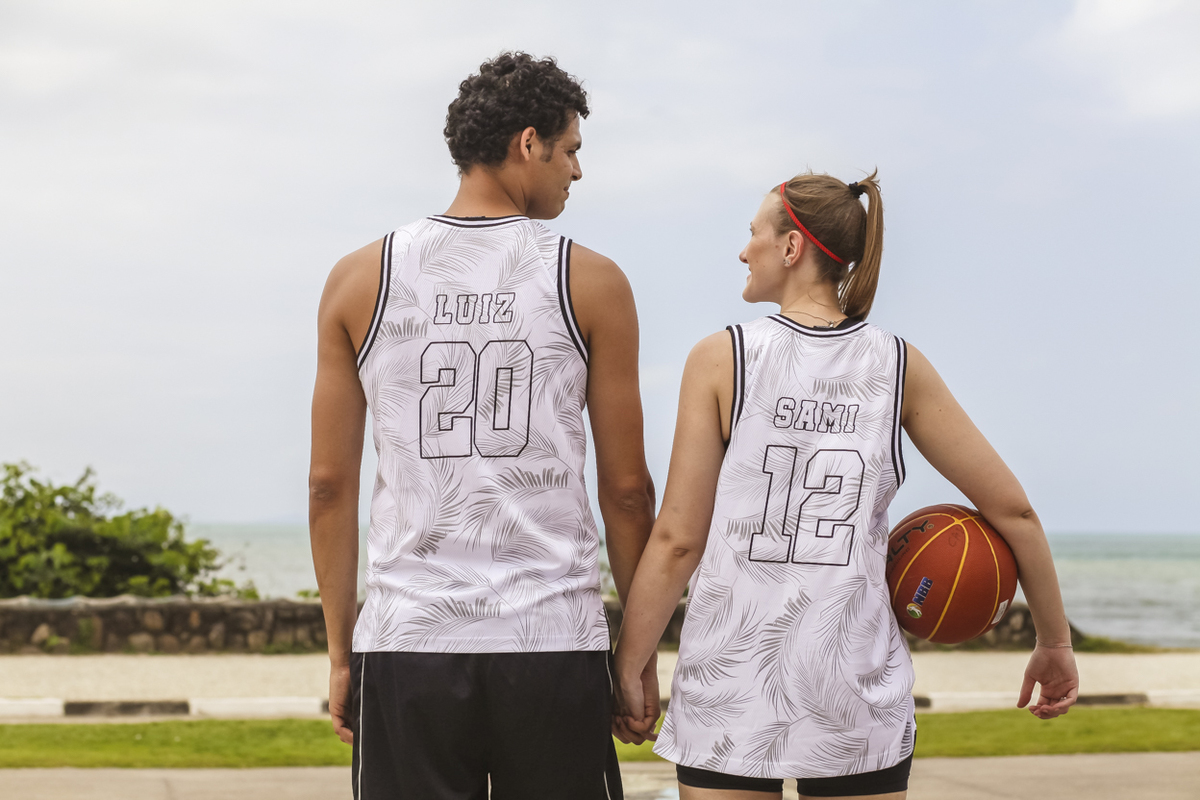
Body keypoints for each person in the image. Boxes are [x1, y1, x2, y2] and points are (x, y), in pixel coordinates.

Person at [611, 171, 1080, 799]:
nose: (742, 249)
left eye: (753, 233)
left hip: (733, 685)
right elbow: (1015, 511)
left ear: (791, 246)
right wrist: (1053, 640)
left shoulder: (721, 358)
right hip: (854, 692)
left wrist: (632, 661)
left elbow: (676, 540)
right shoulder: (898, 365)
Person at [308, 52, 657, 800]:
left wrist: (344, 651)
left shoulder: (358, 277)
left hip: (409, 641)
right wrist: (637, 650)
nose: (576, 172)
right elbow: (627, 492)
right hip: (552, 641)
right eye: (570, 151)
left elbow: (328, 486)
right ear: (527, 143)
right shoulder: (590, 280)